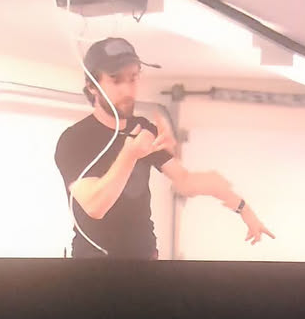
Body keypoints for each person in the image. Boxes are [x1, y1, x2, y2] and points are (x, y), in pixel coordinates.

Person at [56, 36, 275, 258]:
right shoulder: (74, 140)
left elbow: (186, 181)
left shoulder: (144, 129)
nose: (128, 90)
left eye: (133, 78)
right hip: (94, 265)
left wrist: (243, 208)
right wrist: (130, 155)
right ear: (92, 86)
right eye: (116, 80)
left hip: (145, 259)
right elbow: (95, 206)